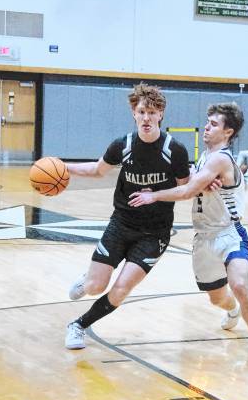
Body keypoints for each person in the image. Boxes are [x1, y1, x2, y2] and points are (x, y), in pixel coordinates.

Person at [128, 102, 248, 369]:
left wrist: (153, 195)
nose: (207, 127)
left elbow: (185, 192)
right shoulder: (204, 157)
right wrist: (198, 180)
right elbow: (189, 183)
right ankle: (232, 310)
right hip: (203, 237)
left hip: (230, 232)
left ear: (228, 132)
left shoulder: (221, 158)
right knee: (217, 298)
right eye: (207, 122)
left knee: (240, 285)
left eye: (214, 124)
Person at [64, 83, 191, 349]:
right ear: (134, 113)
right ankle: (88, 279)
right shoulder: (123, 145)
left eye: (152, 112)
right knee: (96, 286)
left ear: (161, 114)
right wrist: (63, 167)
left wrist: (154, 195)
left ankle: (78, 325)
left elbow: (186, 190)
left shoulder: (174, 150)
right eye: (141, 111)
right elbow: (98, 170)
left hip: (154, 233)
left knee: (121, 290)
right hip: (122, 223)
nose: (146, 118)